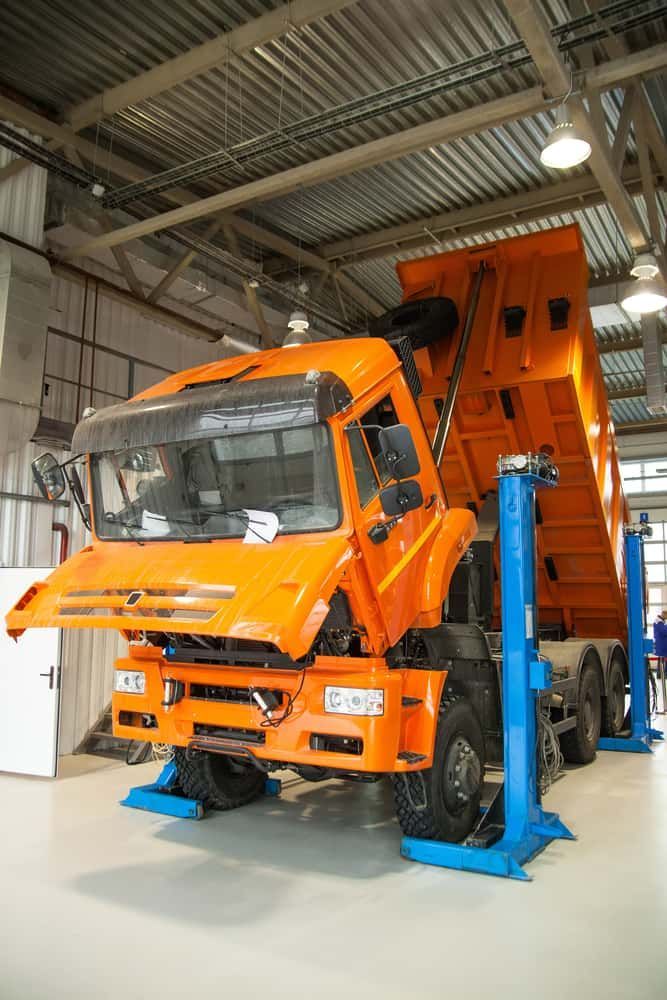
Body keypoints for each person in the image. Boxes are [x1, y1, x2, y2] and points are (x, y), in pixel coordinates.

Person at [654, 611, 667, 713]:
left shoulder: (660, 622)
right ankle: (661, 675)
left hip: (662, 648)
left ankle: (661, 674)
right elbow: (664, 632)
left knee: (662, 664)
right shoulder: (659, 623)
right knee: (662, 664)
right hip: (662, 648)